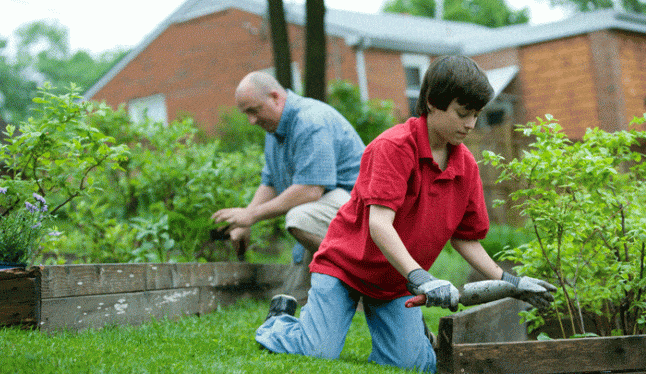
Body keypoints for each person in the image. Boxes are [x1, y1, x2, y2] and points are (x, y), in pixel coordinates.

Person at [254, 55, 557, 372]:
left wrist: (512, 282)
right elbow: (380, 225)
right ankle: (280, 321)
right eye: (462, 113)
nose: (470, 124)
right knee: (316, 352)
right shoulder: (394, 147)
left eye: (476, 115)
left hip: (397, 282)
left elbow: (465, 239)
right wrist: (422, 278)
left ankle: (409, 339)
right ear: (432, 103)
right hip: (345, 268)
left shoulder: (465, 166)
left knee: (411, 365)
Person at [212, 71, 365, 301]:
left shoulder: (310, 121)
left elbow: (310, 190)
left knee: (300, 218)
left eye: (254, 111)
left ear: (275, 97)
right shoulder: (274, 129)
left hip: (360, 211)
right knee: (293, 297)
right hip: (326, 211)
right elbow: (270, 182)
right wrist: (244, 220)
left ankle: (365, 281)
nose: (251, 121)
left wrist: (252, 215)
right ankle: (334, 293)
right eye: (246, 114)